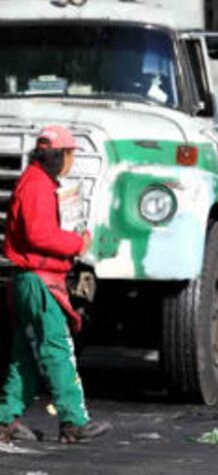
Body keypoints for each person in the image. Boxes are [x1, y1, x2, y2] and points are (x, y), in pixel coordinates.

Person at [0, 125, 111, 444]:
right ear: (61, 154)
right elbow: (39, 235)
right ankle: (73, 421)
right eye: (71, 154)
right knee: (57, 349)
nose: (71, 161)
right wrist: (76, 243)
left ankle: (6, 419)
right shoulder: (37, 185)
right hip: (40, 282)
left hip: (28, 281)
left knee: (26, 355)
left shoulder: (35, 181)